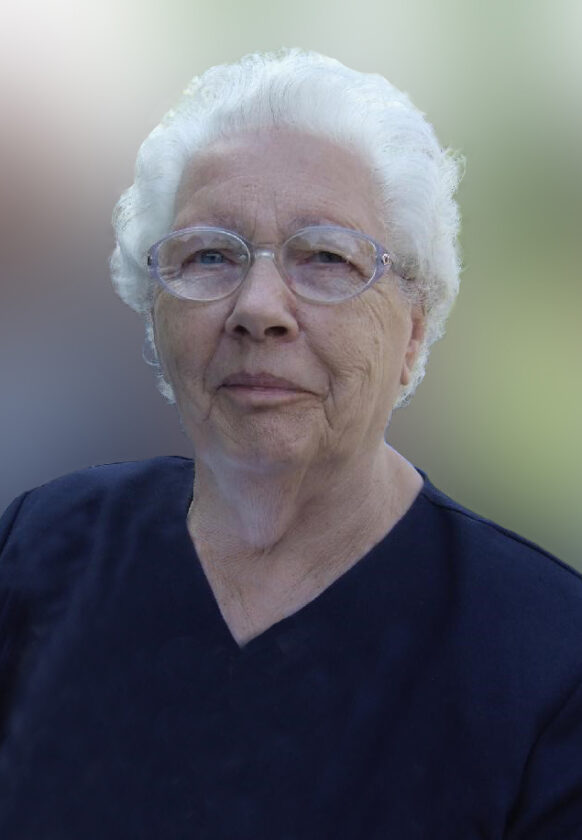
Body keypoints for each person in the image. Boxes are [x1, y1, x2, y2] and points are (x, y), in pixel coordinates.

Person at [0, 49, 581, 840]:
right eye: (210, 255)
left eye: (327, 258)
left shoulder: (547, 657)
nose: (259, 308)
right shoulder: (39, 550)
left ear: (414, 330)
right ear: (154, 313)